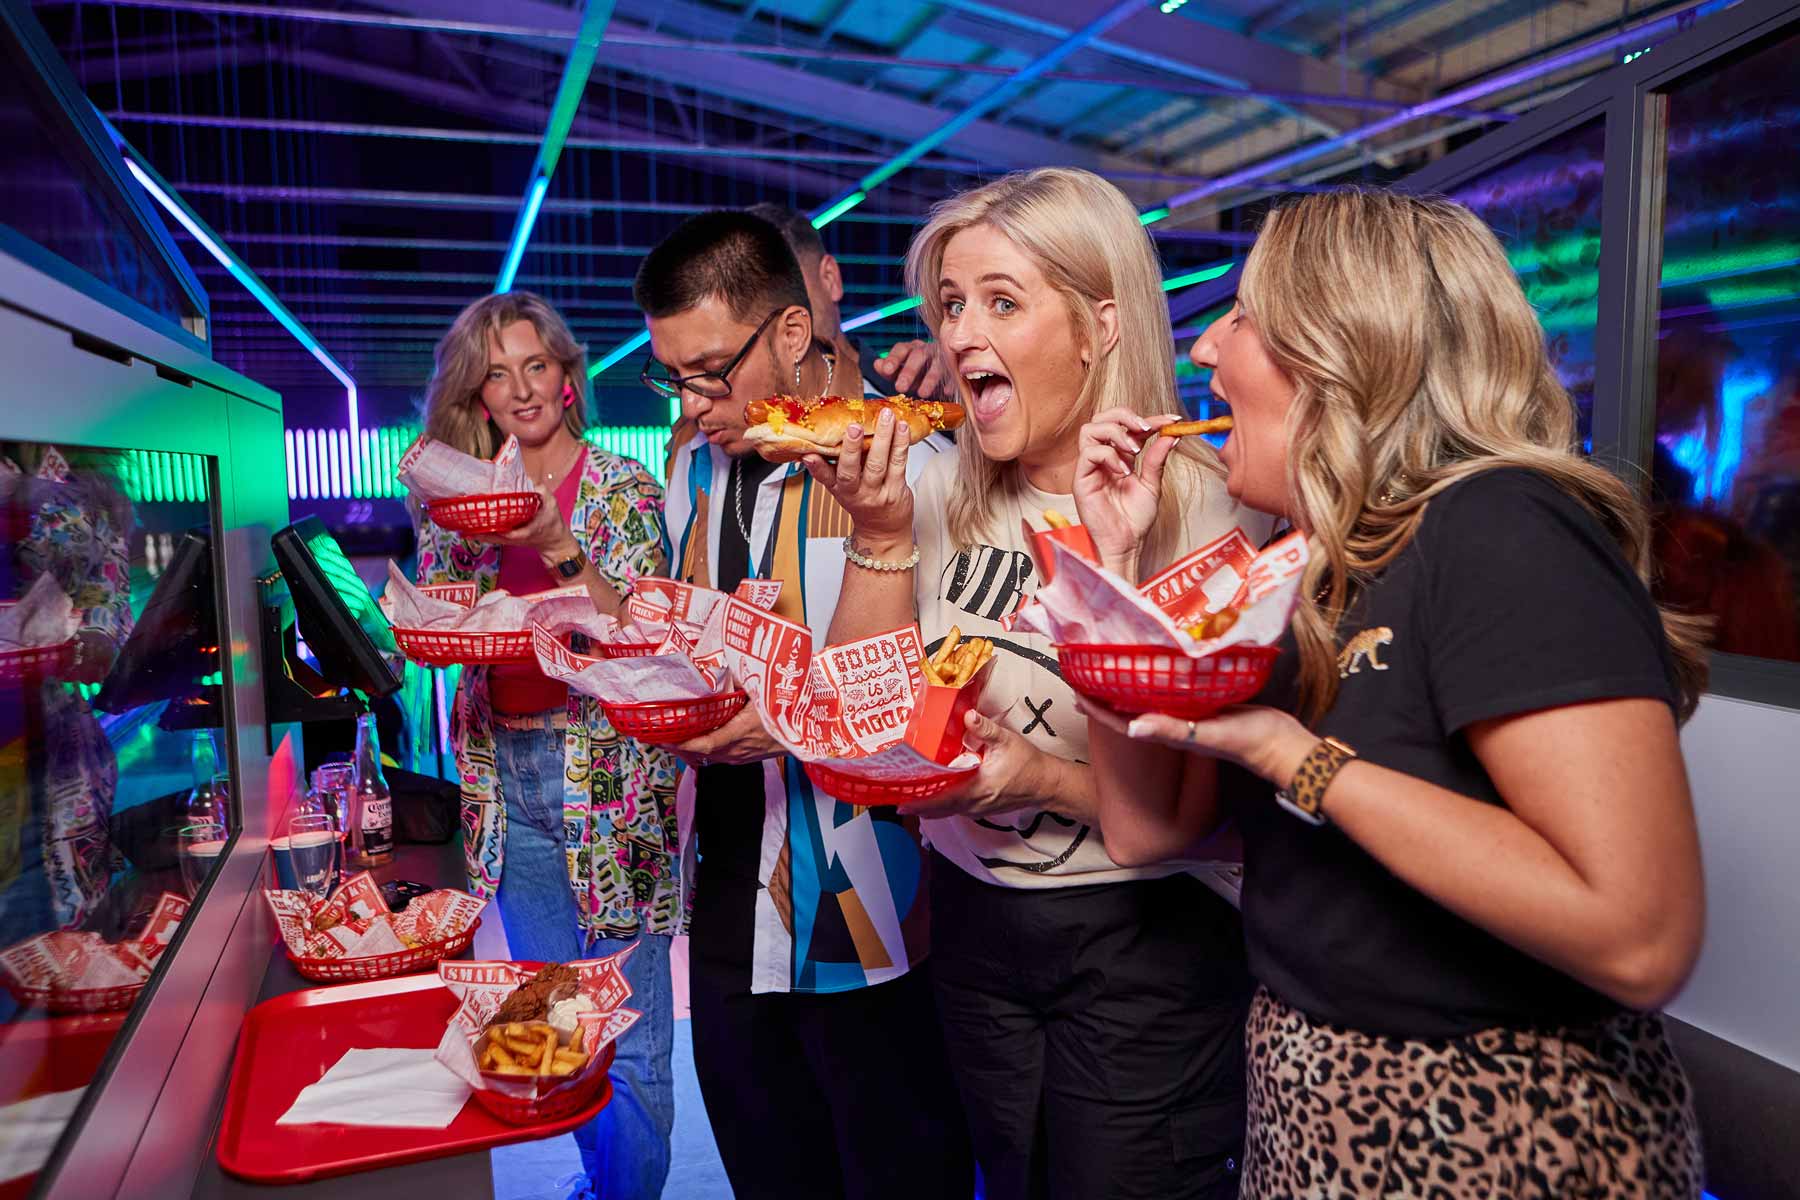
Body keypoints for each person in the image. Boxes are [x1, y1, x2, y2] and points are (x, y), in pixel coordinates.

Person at [1079, 188, 1709, 1198]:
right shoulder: (1304, 564)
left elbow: (1639, 936)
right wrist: (1113, 568)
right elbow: (1143, 833)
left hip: (1494, 1126)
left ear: (1335, 349)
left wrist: (1294, 754)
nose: (1202, 352)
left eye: (1238, 316)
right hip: (1305, 1105)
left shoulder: (1500, 529)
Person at [810, 167, 1266, 1200]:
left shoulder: (1207, 511)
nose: (964, 332)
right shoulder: (936, 489)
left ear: (1099, 327)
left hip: (1148, 940)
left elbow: (1224, 815)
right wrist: (879, 537)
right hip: (977, 927)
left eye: (1003, 302)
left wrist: (1037, 780)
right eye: (954, 303)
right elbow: (855, 722)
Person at [630, 210, 972, 1200]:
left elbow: (958, 684)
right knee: (763, 1159)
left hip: (880, 895)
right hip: (733, 876)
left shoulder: (919, 458)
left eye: (709, 371)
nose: (693, 401)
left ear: (791, 332)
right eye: (673, 376)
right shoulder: (692, 467)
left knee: (902, 1167)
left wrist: (801, 713)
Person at [410, 292, 679, 1200]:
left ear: (569, 380)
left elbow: (644, 636)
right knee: (558, 1014)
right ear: (478, 397)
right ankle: (602, 1185)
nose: (521, 388)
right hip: (504, 768)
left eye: (537, 366)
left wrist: (559, 544)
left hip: (605, 766)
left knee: (630, 1026)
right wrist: (453, 525)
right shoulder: (460, 500)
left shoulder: (625, 490)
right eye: (498, 373)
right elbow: (443, 621)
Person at [746, 201, 955, 403]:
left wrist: (958, 373)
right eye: (748, 308)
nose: (770, 317)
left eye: (781, 291)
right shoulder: (747, 425)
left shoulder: (915, 389)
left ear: (830, 278)